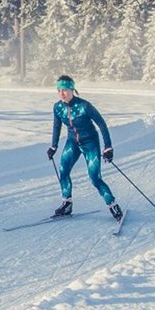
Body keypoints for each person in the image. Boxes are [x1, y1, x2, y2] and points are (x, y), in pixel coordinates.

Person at [45, 75, 123, 223]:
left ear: (72, 90)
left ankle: (113, 205)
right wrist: (53, 146)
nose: (62, 93)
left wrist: (108, 147)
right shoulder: (58, 107)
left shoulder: (84, 106)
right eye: (59, 90)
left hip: (90, 143)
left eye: (66, 90)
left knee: (95, 178)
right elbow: (56, 126)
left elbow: (102, 124)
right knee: (63, 171)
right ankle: (67, 204)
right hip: (72, 142)